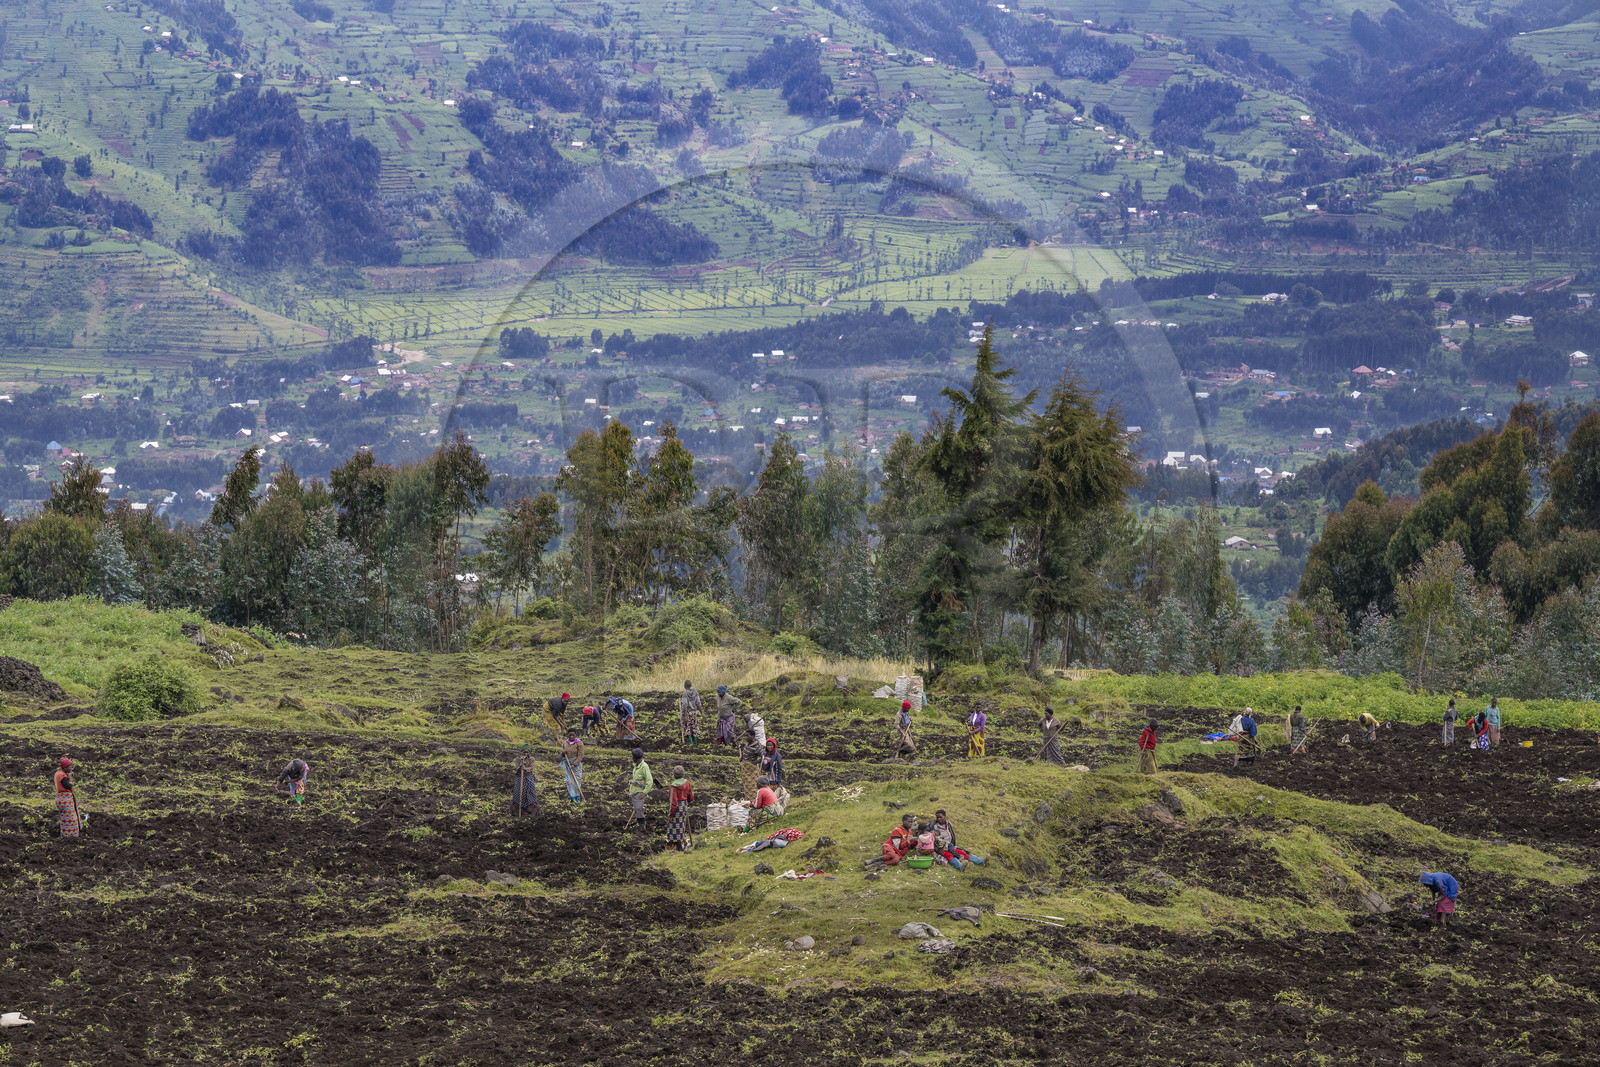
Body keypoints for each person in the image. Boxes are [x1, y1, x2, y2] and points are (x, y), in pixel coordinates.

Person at [666, 766, 694, 850]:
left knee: (673, 826)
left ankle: (677, 846)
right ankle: (681, 844)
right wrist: (685, 803)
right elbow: (691, 797)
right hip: (684, 806)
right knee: (681, 825)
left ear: (674, 775)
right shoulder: (687, 783)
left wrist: (671, 814)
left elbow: (673, 803)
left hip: (676, 808)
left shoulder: (673, 787)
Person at [53, 757, 80, 839]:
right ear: (65, 768)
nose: (71, 768)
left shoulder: (58, 773)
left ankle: (65, 835)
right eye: (70, 767)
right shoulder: (62, 776)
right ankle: (72, 836)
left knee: (64, 818)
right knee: (71, 818)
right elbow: (68, 786)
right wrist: (70, 778)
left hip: (60, 799)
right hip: (65, 800)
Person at [511, 744, 539, 817]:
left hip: (529, 778)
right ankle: (518, 812)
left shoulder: (531, 759)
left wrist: (525, 769)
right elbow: (516, 768)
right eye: (524, 752)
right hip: (520, 778)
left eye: (527, 752)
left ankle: (530, 811)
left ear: (529, 752)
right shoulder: (518, 759)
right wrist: (521, 764)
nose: (525, 753)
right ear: (521, 752)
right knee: (519, 793)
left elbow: (532, 767)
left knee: (530, 793)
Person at [628, 748, 653, 826]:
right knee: (637, 808)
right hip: (634, 791)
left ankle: (642, 825)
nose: (632, 758)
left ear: (635, 758)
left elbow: (650, 781)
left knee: (638, 808)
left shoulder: (644, 767)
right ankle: (640, 824)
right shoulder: (636, 765)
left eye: (633, 757)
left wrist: (644, 793)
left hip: (640, 792)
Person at [738, 729, 763, 805]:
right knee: (746, 785)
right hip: (745, 768)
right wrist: (742, 757)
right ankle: (747, 801)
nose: (746, 737)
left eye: (747, 736)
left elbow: (763, 756)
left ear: (753, 736)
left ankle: (754, 802)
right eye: (745, 736)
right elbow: (744, 753)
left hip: (752, 769)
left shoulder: (757, 746)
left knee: (753, 786)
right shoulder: (747, 743)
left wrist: (756, 761)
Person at [558, 733, 585, 803]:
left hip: (576, 764)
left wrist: (574, 764)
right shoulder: (565, 743)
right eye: (570, 735)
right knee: (569, 781)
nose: (571, 736)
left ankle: (577, 797)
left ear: (575, 736)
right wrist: (563, 752)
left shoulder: (579, 743)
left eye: (573, 735)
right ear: (568, 736)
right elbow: (563, 755)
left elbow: (581, 755)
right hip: (567, 763)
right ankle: (572, 797)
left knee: (577, 780)